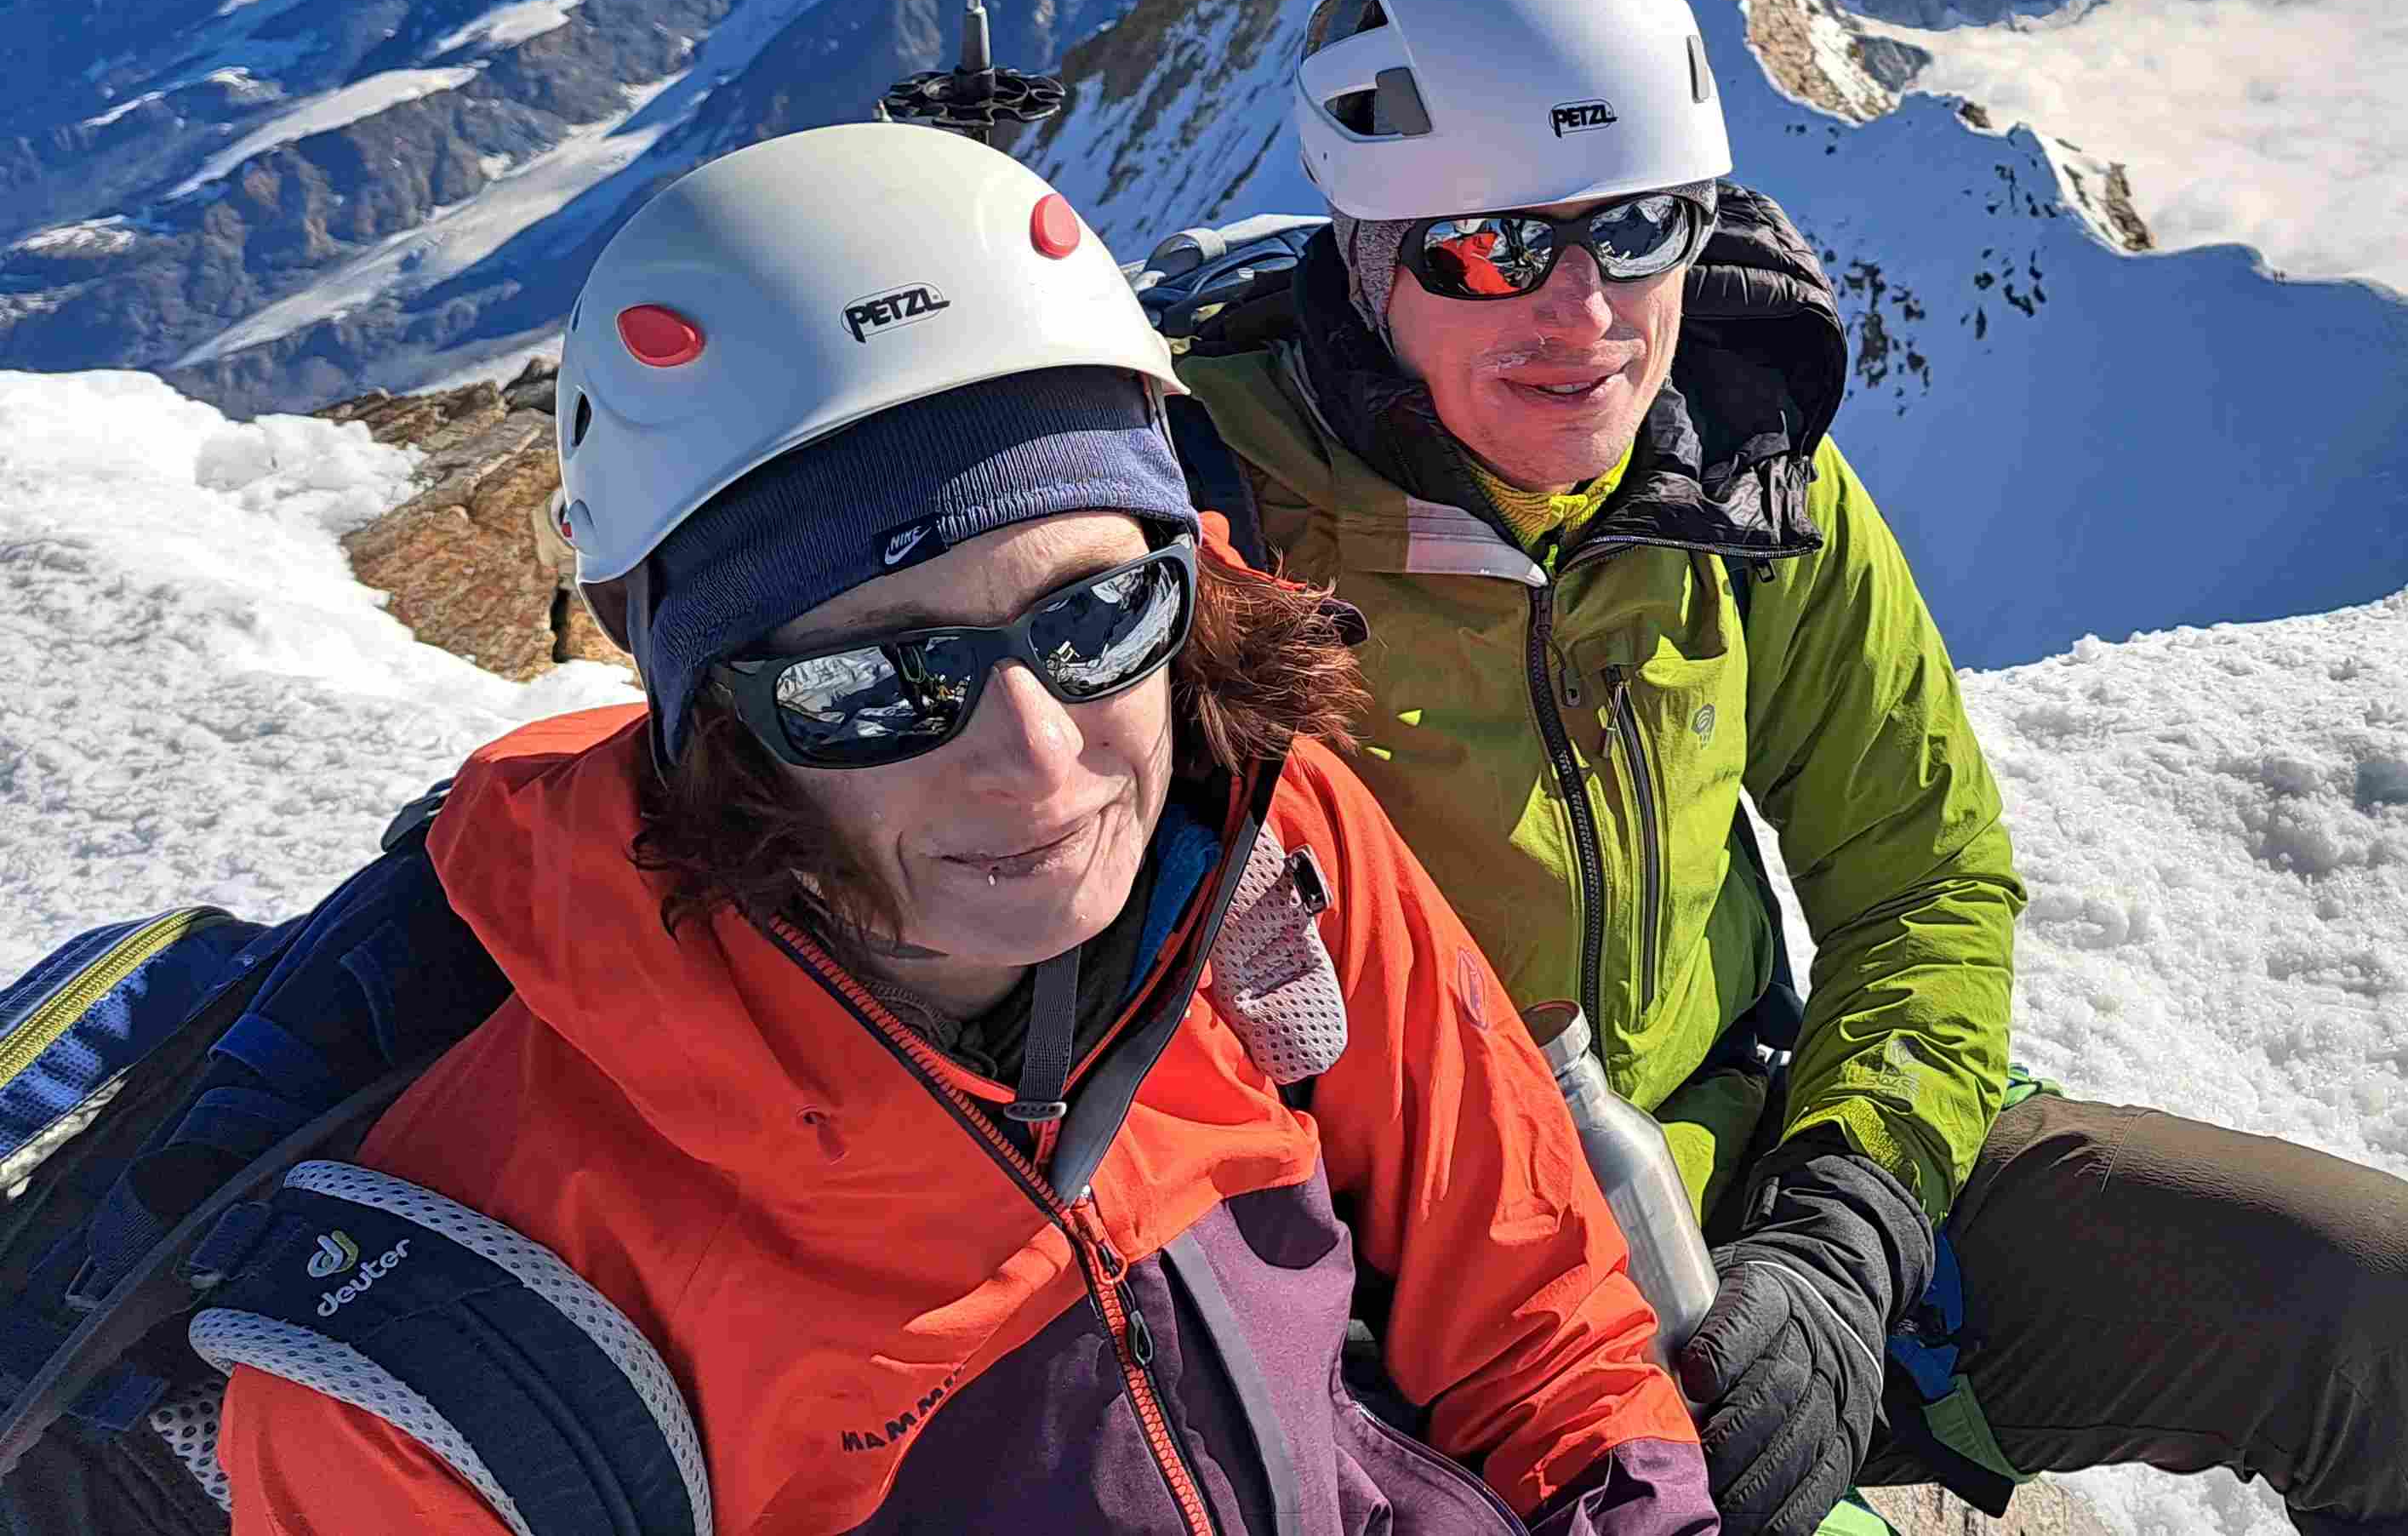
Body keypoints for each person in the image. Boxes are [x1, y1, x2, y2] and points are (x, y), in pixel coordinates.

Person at [1172, 0, 2408, 1536]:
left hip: (1767, 1187)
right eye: (1494, 248)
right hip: (1434, 1331)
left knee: (2381, 1305)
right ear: (1366, 259)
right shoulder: (1209, 546)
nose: (1587, 319)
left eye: (1638, 226)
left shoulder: (1735, 460)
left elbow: (1920, 877)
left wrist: (1843, 1232)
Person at [218, 122, 1719, 1536]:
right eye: (876, 682)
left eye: (1096, 616)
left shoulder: (1264, 849)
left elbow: (1541, 1326)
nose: (1039, 756)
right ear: (714, 730)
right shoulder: (452, 1351)